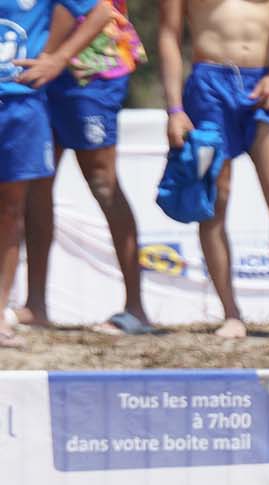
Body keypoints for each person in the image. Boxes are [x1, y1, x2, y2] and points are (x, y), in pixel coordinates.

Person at [158, 0, 269, 342]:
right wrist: (174, 108)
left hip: (264, 81)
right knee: (217, 199)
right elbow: (169, 34)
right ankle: (230, 313)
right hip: (209, 85)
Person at [18, 0, 153, 337]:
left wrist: (56, 58)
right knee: (37, 182)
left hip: (90, 69)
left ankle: (136, 309)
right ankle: (35, 307)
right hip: (38, 67)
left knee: (102, 181)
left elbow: (98, 10)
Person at [0, 0, 113, 350]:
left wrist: (59, 59)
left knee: (10, 212)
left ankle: (0, 313)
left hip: (20, 104)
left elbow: (101, 11)